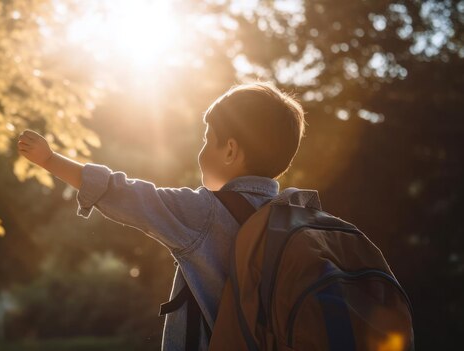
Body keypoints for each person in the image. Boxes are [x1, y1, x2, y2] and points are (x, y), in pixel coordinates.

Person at [17, 81, 306, 350]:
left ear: (230, 151)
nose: (201, 151)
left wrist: (49, 159)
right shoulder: (297, 217)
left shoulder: (206, 212)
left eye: (207, 140)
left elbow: (126, 194)